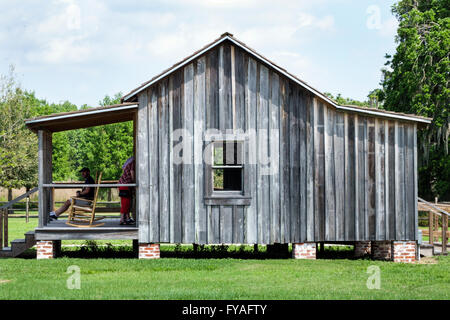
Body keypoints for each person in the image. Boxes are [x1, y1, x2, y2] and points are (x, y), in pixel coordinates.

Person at [118, 156, 135, 225]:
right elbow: (132, 172)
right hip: (125, 184)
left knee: (125, 202)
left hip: (122, 184)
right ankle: (122, 219)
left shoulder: (128, 163)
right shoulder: (133, 163)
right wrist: (134, 182)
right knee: (126, 203)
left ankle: (127, 218)